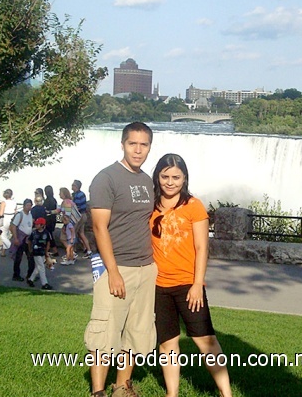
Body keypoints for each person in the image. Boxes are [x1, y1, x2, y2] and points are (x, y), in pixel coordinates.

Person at [84, 122, 156, 397]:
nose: (138, 150)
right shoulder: (107, 178)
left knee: (136, 331)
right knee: (104, 332)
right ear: (123, 144)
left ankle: (121, 387)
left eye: (144, 145)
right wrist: (113, 272)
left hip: (145, 267)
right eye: (132, 144)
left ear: (149, 147)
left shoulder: (147, 180)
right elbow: (100, 227)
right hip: (116, 267)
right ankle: (98, 391)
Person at [151, 153, 232, 397]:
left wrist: (197, 284)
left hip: (188, 285)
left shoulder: (193, 205)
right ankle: (172, 393)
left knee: (205, 340)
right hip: (158, 285)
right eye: (165, 176)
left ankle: (226, 393)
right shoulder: (151, 206)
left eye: (176, 177)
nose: (170, 182)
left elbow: (201, 247)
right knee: (167, 343)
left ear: (184, 178)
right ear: (158, 176)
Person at [10, 198, 35, 283]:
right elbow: (13, 226)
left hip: (28, 239)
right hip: (21, 239)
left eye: (30, 205)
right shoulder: (20, 215)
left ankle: (30, 275)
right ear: (24, 206)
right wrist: (16, 238)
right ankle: (16, 275)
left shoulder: (30, 215)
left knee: (31, 257)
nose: (29, 207)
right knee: (18, 258)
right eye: (27, 205)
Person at [27, 217, 53, 290]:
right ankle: (44, 283)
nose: (36, 225)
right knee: (41, 267)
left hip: (43, 252)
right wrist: (30, 249)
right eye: (36, 224)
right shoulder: (34, 232)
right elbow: (29, 241)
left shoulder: (46, 233)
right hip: (36, 252)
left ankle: (30, 279)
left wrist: (46, 252)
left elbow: (48, 242)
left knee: (38, 267)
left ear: (42, 225)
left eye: (38, 224)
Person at [72, 179, 93, 258]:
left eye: (73, 185)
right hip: (83, 215)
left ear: (76, 186)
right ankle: (88, 250)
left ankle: (72, 251)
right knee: (81, 233)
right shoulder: (81, 194)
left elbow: (78, 206)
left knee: (73, 233)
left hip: (78, 216)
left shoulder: (77, 195)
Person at [0, 189, 18, 257]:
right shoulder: (14, 202)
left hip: (5, 218)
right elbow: (15, 212)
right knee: (7, 235)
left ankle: (10, 246)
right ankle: (3, 252)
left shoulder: (4, 202)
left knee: (3, 236)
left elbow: (1, 213)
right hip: (12, 219)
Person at [44, 185, 59, 257]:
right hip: (53, 218)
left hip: (48, 219)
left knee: (49, 235)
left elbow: (46, 210)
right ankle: (48, 248)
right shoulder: (54, 200)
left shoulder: (47, 200)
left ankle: (54, 249)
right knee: (49, 234)